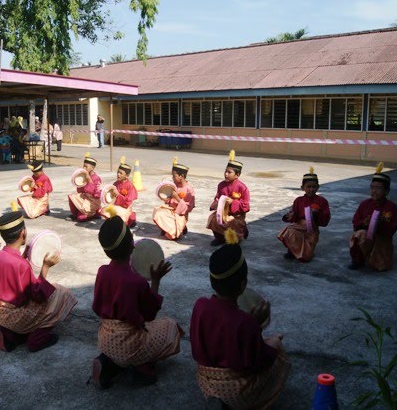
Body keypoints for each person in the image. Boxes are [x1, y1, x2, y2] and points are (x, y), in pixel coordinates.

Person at [190, 229, 290, 409]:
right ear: (243, 284)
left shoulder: (200, 305)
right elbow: (257, 362)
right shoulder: (244, 322)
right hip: (236, 389)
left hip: (205, 379)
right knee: (277, 347)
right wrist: (257, 327)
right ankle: (251, 400)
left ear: (212, 281)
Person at [91, 213, 183, 388]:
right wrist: (155, 281)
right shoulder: (136, 282)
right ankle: (143, 368)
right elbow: (150, 315)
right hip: (129, 344)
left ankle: (107, 363)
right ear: (132, 245)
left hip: (105, 340)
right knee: (170, 326)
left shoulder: (102, 271)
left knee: (121, 348)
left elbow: (97, 306)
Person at [0, 211, 77, 352]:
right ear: (23, 233)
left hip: (0, 313)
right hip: (17, 316)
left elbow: (10, 272)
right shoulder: (21, 265)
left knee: (49, 292)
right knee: (60, 293)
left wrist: (24, 255)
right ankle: (37, 339)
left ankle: (10, 334)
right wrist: (46, 267)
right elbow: (38, 295)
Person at [348, 162, 397, 272]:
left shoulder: (391, 207)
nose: (374, 191)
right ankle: (357, 260)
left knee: (380, 267)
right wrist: (364, 223)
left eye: (378, 188)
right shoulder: (365, 204)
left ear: (387, 191)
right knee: (359, 235)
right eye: (372, 187)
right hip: (366, 237)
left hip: (382, 239)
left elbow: (393, 228)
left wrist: (382, 223)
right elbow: (355, 221)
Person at [277, 167, 331, 262]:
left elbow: (325, 219)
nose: (311, 189)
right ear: (302, 188)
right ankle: (292, 251)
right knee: (290, 231)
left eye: (314, 187)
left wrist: (316, 214)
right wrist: (289, 216)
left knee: (305, 258)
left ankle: (306, 252)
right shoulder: (298, 200)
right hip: (298, 226)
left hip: (312, 230)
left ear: (318, 187)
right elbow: (294, 215)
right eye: (308, 187)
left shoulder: (322, 201)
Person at [206, 150, 250, 246]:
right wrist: (216, 203)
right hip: (222, 213)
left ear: (237, 175)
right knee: (213, 218)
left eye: (229, 172)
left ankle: (241, 233)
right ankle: (220, 238)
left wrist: (233, 202)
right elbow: (217, 198)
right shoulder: (221, 185)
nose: (226, 174)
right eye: (225, 171)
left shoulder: (242, 187)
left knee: (232, 221)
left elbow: (246, 206)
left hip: (237, 216)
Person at [153, 157, 195, 240]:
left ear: (181, 176)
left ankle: (181, 227)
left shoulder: (189, 189)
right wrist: (167, 198)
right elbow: (169, 200)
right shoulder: (173, 186)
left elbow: (188, 208)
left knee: (174, 236)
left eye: (174, 176)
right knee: (158, 212)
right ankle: (166, 228)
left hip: (181, 214)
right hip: (170, 211)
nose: (172, 178)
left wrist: (178, 198)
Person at [99, 157, 138, 227]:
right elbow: (110, 195)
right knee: (103, 210)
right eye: (118, 172)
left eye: (121, 173)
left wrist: (117, 194)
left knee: (121, 223)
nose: (118, 174)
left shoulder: (130, 186)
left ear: (127, 176)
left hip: (125, 208)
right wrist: (103, 189)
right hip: (116, 207)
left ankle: (130, 217)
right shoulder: (116, 183)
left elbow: (127, 203)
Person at [68, 153, 102, 222]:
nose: (84, 168)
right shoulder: (85, 175)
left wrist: (89, 180)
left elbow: (97, 194)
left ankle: (95, 213)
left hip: (93, 201)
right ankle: (75, 213)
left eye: (86, 167)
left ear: (92, 168)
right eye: (83, 166)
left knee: (81, 218)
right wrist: (79, 181)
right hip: (86, 198)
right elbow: (79, 191)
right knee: (72, 196)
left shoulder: (97, 178)